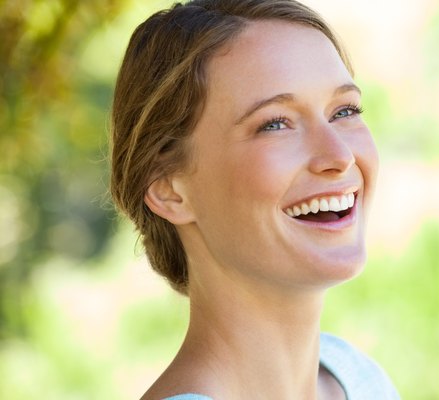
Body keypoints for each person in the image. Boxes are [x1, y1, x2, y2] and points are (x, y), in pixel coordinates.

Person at [109, 0, 399, 398]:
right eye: (275, 123)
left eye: (344, 111)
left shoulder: (361, 380)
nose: (339, 156)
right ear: (168, 187)